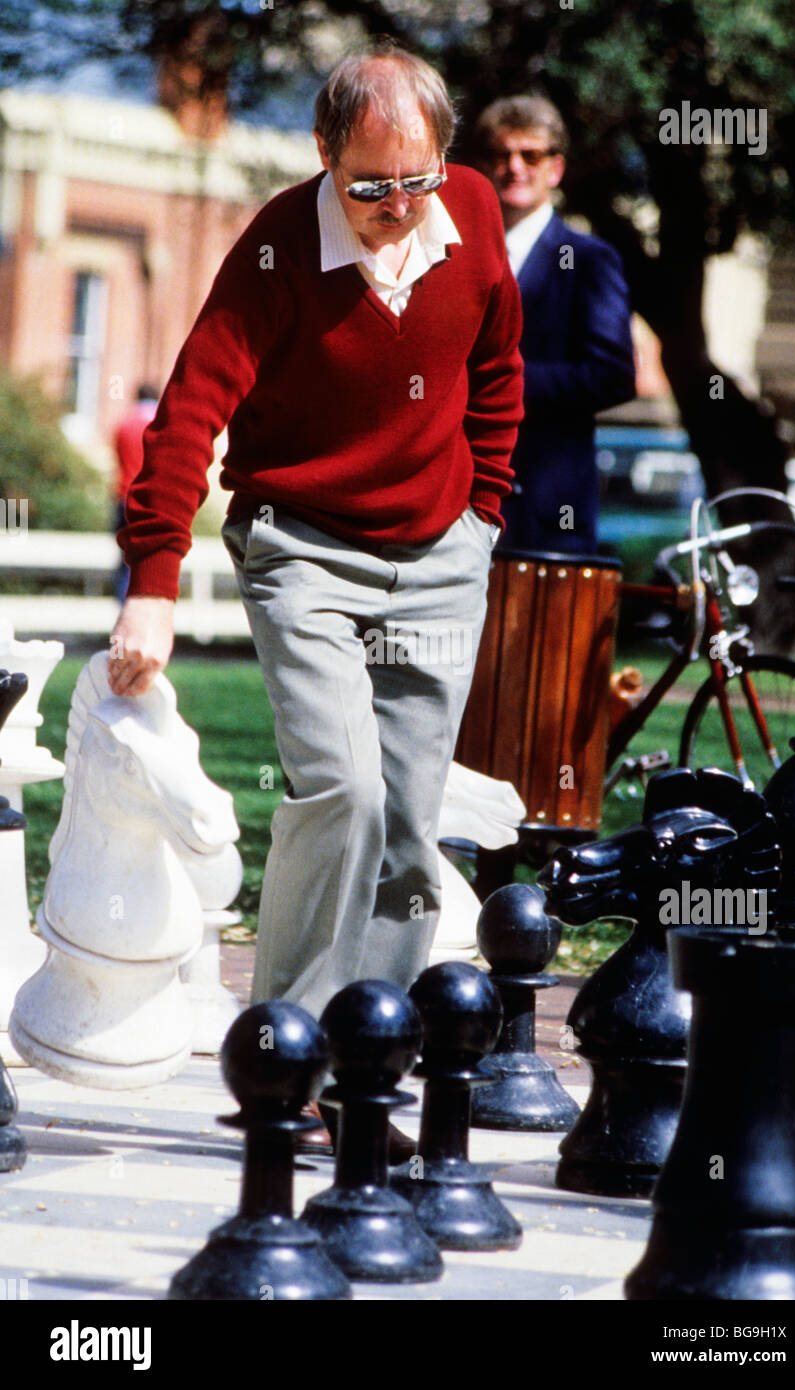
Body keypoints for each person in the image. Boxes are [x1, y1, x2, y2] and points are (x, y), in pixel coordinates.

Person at [107, 45, 524, 1148]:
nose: (394, 209)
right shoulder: (278, 247)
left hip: (440, 551)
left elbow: (496, 367)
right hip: (303, 547)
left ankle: (358, 1071)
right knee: (341, 789)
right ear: (322, 155)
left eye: (415, 181)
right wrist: (153, 581)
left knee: (408, 822)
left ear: (445, 157)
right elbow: (190, 409)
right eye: (368, 186)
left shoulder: (472, 216)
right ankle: (278, 1056)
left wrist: (482, 510)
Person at [474, 95, 635, 554]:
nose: (514, 167)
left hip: (545, 513)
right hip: (456, 505)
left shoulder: (589, 261)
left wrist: (498, 384)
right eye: (501, 155)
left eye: (530, 155)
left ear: (556, 169)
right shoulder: (454, 255)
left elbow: (613, 375)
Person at [111, 384, 158, 600]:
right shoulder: (160, 424)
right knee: (151, 561)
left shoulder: (124, 424)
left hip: (123, 497)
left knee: (125, 561)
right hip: (151, 500)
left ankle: (124, 608)